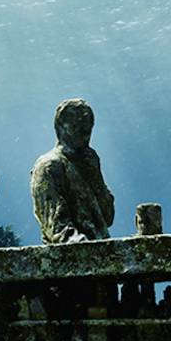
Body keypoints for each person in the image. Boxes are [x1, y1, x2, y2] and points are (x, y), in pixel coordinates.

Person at [30, 98, 115, 244]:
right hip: (76, 260)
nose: (85, 135)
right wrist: (88, 249)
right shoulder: (50, 165)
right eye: (79, 127)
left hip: (100, 256)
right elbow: (58, 229)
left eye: (88, 128)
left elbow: (108, 218)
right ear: (60, 127)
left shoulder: (88, 164)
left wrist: (96, 179)